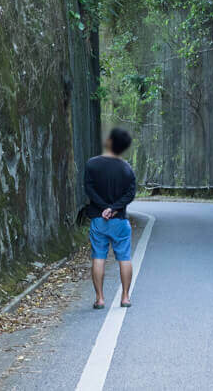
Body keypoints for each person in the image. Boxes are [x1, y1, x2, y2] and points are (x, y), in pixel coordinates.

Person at [83, 127, 137, 309]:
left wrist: (103, 208)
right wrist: (114, 209)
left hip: (99, 220)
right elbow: (130, 194)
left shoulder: (92, 164)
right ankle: (125, 297)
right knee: (124, 257)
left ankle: (99, 298)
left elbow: (89, 188)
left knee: (98, 257)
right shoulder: (127, 168)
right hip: (120, 220)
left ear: (108, 142)